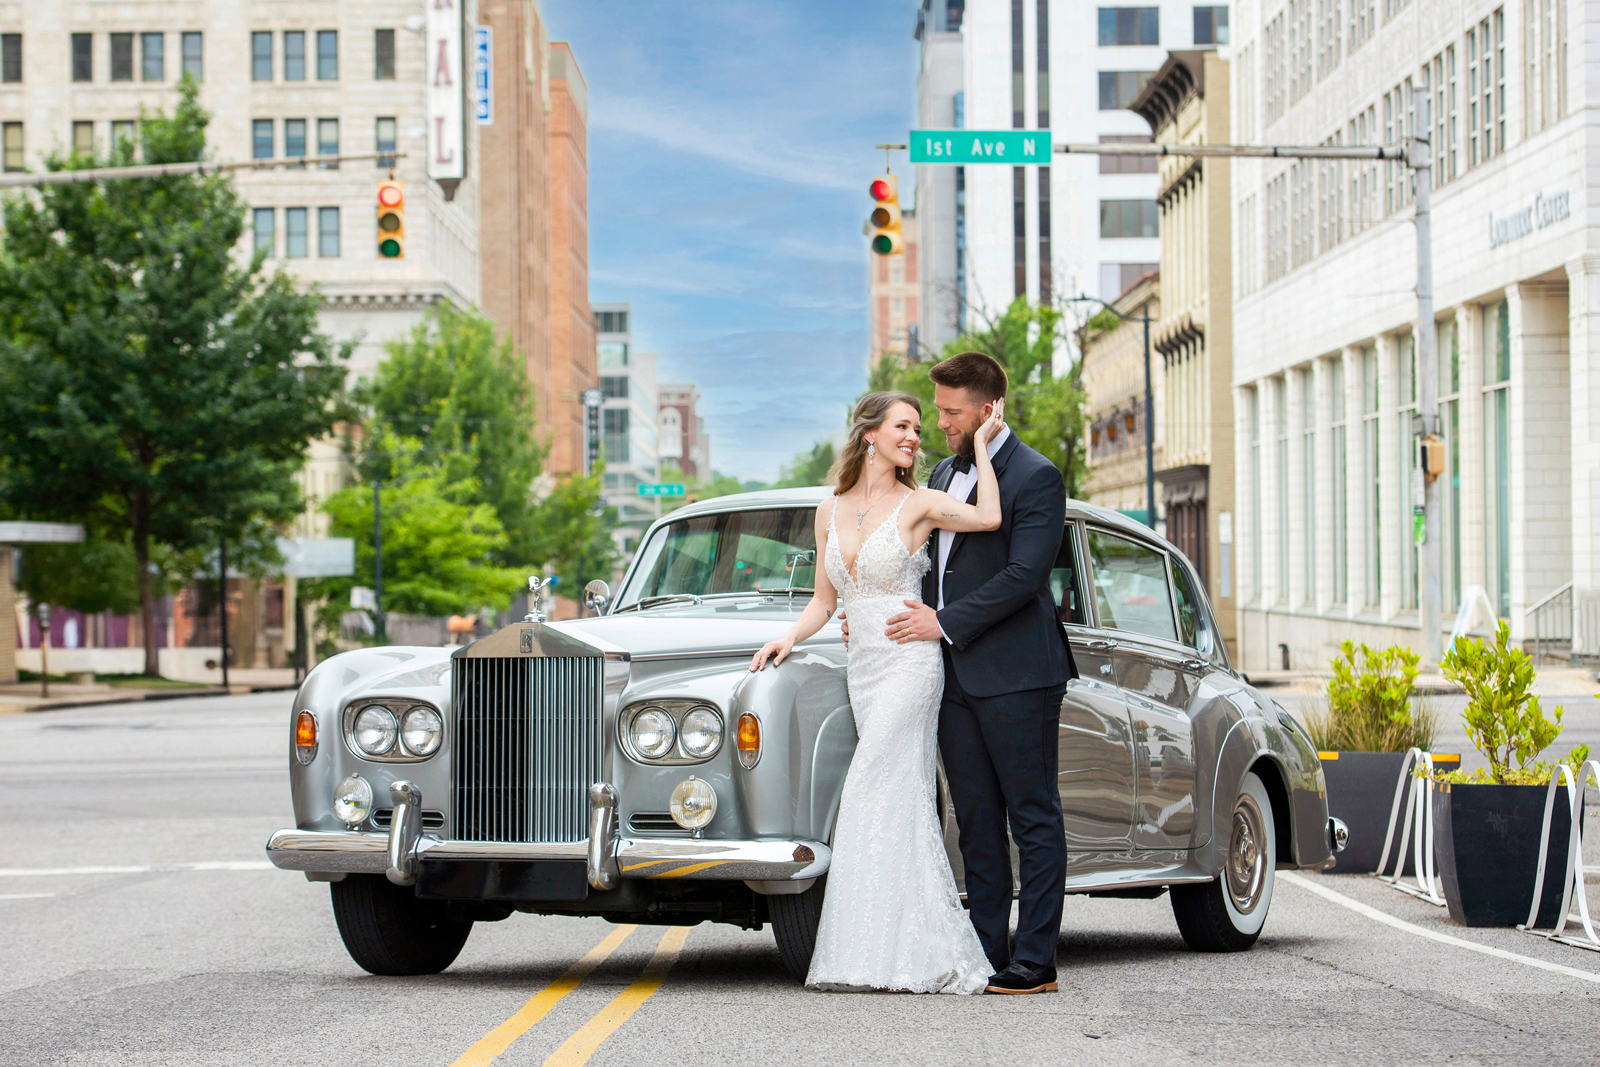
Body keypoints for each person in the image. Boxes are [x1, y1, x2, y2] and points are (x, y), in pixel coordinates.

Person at [750, 389, 1006, 994]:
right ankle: (873, 951)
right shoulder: (828, 508)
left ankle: (906, 949)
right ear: (870, 433)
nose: (915, 437)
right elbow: (824, 600)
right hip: (861, 667)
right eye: (903, 426)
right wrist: (787, 638)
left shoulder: (920, 503)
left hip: (911, 663)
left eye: (918, 428)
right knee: (893, 800)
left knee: (868, 788)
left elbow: (989, 518)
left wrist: (985, 449)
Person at [880, 351, 1078, 995]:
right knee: (975, 817)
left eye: (949, 411)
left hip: (1019, 672)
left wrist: (943, 622)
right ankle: (987, 950)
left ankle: (1036, 959)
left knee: (1032, 814)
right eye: (937, 409)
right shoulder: (943, 471)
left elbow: (1024, 577)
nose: (938, 422)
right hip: (952, 678)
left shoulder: (1038, 476)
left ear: (988, 411)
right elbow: (924, 564)